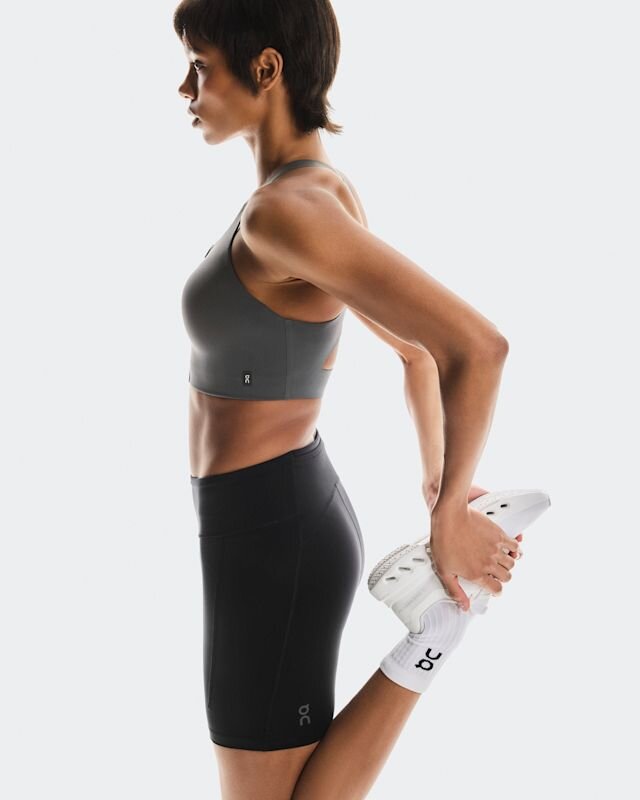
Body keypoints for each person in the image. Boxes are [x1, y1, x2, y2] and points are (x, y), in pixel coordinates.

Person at [175, 1, 538, 798]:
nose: (184, 88)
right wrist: (439, 485)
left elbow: (476, 348)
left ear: (266, 69)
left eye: (200, 66)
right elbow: (412, 349)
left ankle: (440, 627)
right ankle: (437, 627)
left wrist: (447, 519)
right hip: (266, 518)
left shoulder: (289, 211)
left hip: (268, 532)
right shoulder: (308, 194)